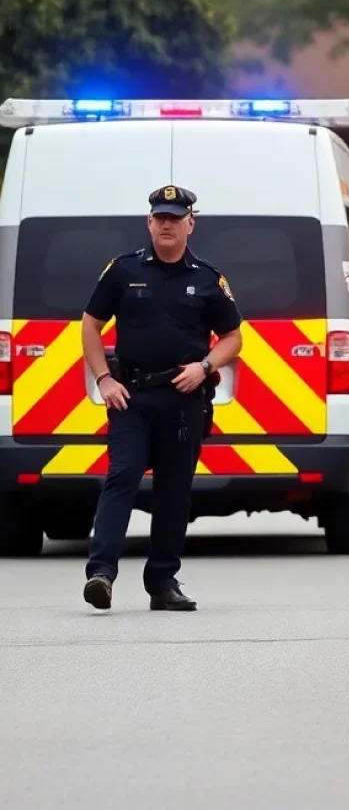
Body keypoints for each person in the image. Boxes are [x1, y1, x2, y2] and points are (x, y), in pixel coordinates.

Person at [80, 185, 243, 612]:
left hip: (183, 400)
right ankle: (101, 574)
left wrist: (204, 367)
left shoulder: (207, 279)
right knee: (122, 478)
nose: (167, 224)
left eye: (175, 217)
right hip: (131, 398)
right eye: (160, 217)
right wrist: (104, 379)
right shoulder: (123, 270)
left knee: (173, 491)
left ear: (191, 224)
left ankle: (162, 582)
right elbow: (90, 325)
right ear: (149, 223)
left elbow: (233, 337)